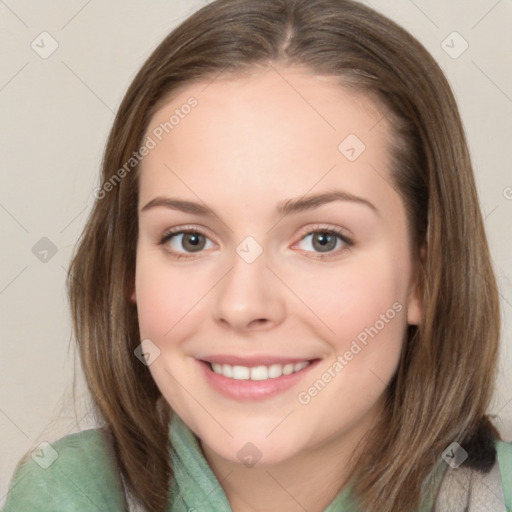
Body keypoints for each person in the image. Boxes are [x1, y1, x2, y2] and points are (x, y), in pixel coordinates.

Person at [2, 0, 511, 511]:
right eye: (190, 239)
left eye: (322, 240)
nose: (243, 305)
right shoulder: (59, 495)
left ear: (426, 277)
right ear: (127, 270)